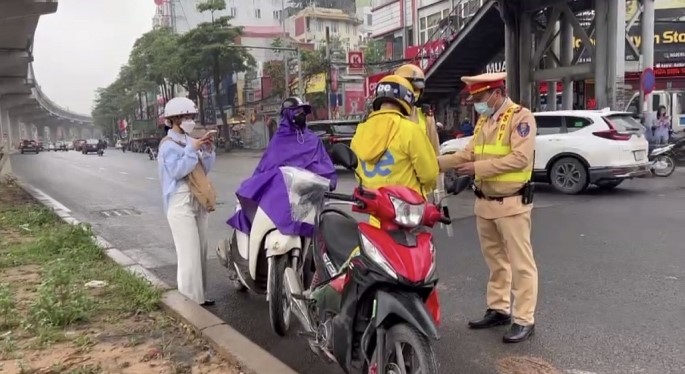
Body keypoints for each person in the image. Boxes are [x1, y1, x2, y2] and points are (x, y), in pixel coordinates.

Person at [437, 72, 538, 343]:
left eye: (480, 98)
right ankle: (499, 309)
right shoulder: (485, 120)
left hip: (512, 204)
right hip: (484, 204)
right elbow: (465, 155)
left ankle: (524, 318)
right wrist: (432, 163)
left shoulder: (521, 118)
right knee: (496, 262)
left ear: (496, 92)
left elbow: (519, 159)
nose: (477, 104)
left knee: (521, 265)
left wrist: (477, 168)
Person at [227, 97, 337, 236]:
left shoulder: (312, 140)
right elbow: (266, 168)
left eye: (303, 112)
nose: (301, 115)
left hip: (307, 198)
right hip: (284, 197)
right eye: (297, 112)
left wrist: (327, 182)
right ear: (288, 115)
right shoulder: (279, 140)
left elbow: (323, 164)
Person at [158, 97, 216, 306]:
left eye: (191, 116)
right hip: (179, 201)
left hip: (198, 199)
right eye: (185, 117)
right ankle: (189, 301)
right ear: (174, 119)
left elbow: (203, 170)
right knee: (188, 253)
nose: (190, 120)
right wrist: (192, 150)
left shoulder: (191, 140)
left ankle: (199, 296)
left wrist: (207, 150)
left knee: (200, 251)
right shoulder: (167, 145)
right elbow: (177, 171)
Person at [351, 74, 439, 199]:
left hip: (376, 210)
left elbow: (358, 173)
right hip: (408, 209)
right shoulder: (410, 130)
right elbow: (429, 174)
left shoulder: (360, 131)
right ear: (407, 99)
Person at [394, 64, 440, 155]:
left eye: (417, 90)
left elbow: (435, 151)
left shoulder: (426, 116)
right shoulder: (386, 115)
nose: (414, 93)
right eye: (411, 89)